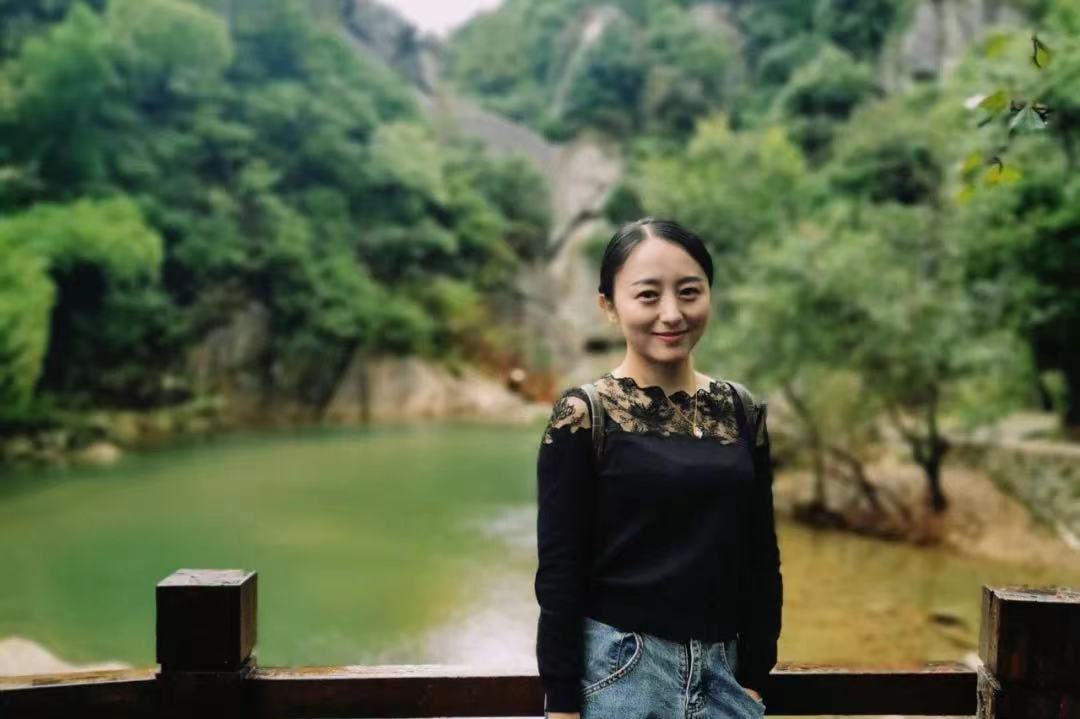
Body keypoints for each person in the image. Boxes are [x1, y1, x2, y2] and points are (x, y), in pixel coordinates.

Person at [534, 217, 783, 718]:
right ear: (609, 306)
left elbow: (760, 555)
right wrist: (561, 701)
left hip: (724, 676)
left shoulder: (740, 409)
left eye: (689, 292)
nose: (672, 314)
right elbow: (559, 572)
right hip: (622, 673)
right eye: (648, 295)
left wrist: (755, 675)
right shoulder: (584, 415)